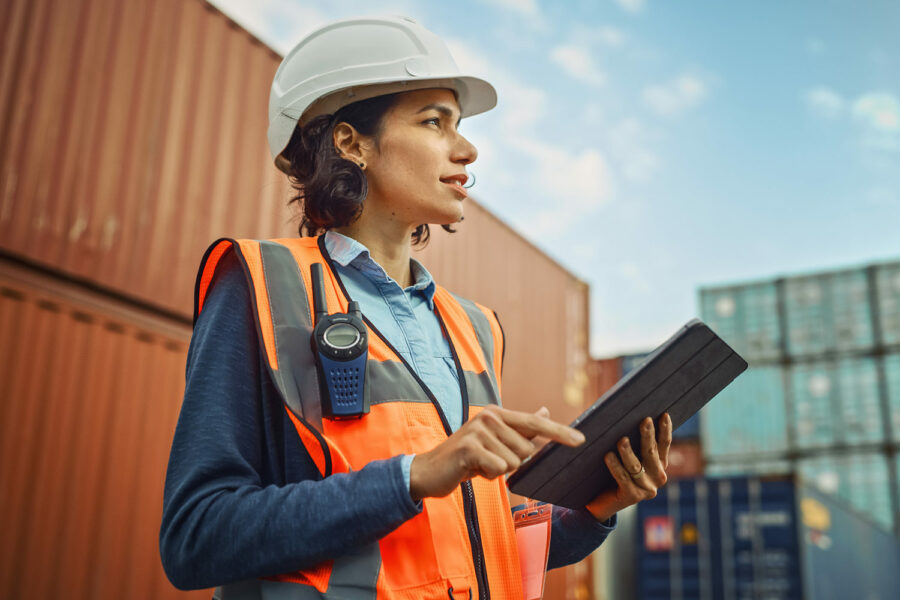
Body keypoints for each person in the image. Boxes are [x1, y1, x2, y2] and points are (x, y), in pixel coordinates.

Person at [159, 15, 672, 599]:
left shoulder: (474, 328)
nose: (469, 147)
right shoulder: (260, 285)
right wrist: (413, 475)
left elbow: (465, 547)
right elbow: (195, 538)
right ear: (352, 142)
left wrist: (593, 512)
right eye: (435, 121)